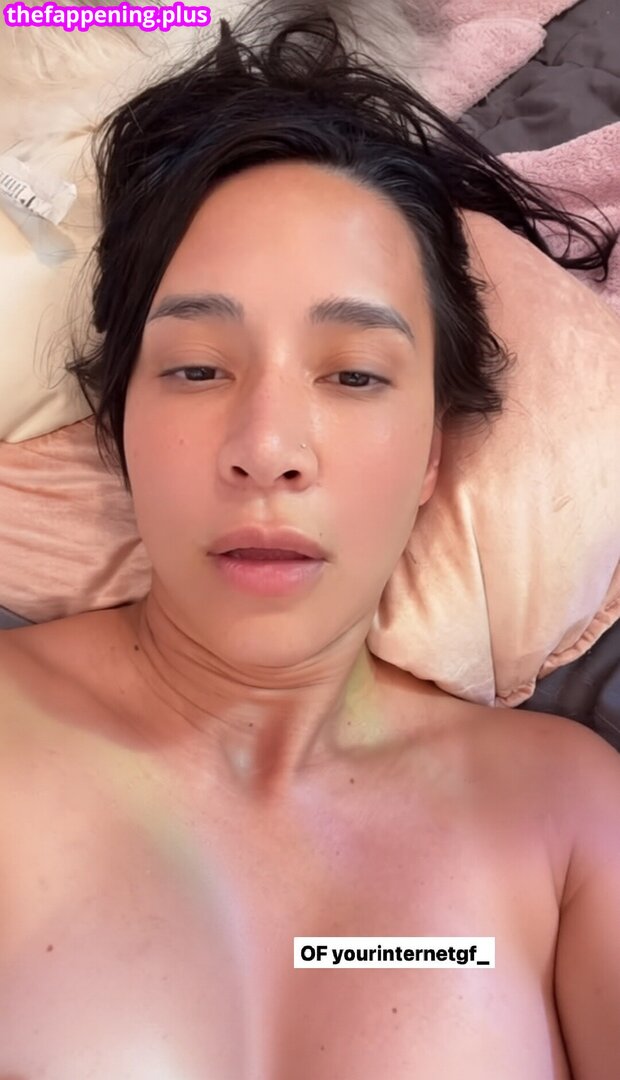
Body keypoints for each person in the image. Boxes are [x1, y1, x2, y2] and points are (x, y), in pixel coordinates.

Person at [0, 6, 618, 1078]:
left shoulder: (570, 821)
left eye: (355, 375)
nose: (268, 449)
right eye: (197, 368)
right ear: (119, 423)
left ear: (431, 455)